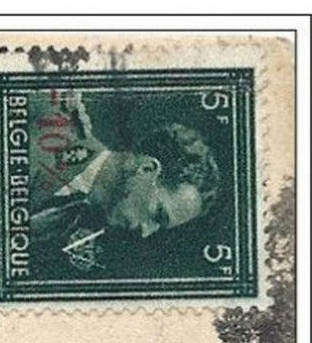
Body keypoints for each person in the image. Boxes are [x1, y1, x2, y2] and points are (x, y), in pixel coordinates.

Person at [26, 92, 220, 251]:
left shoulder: (69, 221)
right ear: (146, 168)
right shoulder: (46, 116)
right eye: (158, 215)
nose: (145, 232)